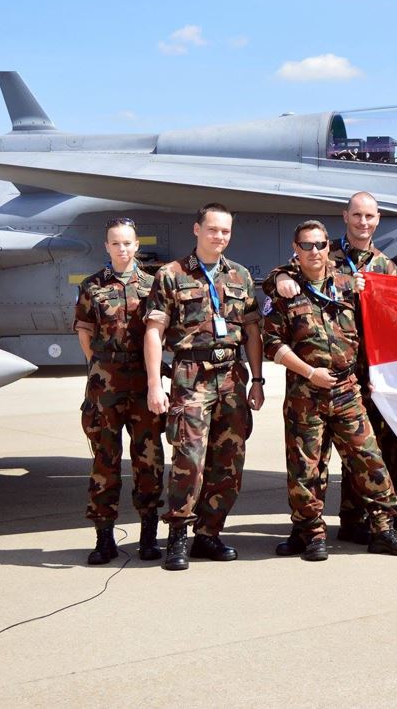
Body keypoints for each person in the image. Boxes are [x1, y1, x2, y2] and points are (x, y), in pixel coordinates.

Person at [264, 221, 397, 560]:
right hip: (307, 393)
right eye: (307, 245)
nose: (315, 251)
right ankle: (312, 534)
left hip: (348, 389)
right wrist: (308, 371)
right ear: (296, 248)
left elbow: (377, 324)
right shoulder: (285, 291)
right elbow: (272, 344)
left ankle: (383, 529)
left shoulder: (349, 285)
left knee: (369, 460)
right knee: (307, 469)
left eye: (320, 244)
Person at [144, 203, 265, 571]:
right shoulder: (171, 274)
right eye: (213, 229)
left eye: (225, 231)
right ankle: (178, 536)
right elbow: (154, 330)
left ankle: (209, 534)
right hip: (190, 375)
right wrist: (154, 384)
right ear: (197, 230)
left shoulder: (240, 276)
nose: (220, 237)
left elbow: (252, 331)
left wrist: (257, 380)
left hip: (231, 376)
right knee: (189, 460)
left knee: (228, 461)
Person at [74, 216, 165, 564]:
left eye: (128, 243)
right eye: (116, 243)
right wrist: (101, 366)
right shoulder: (92, 285)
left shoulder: (153, 284)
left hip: (144, 384)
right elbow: (84, 330)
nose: (122, 248)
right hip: (105, 387)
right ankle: (104, 539)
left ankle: (148, 538)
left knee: (149, 460)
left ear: (136, 245)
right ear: (107, 246)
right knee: (104, 461)